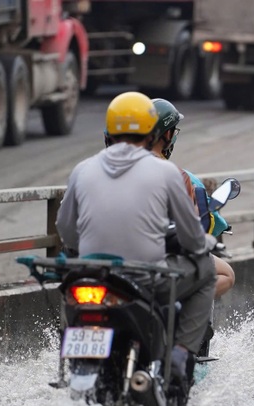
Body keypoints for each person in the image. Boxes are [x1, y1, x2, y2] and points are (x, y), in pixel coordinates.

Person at [55, 91, 216, 382]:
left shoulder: (82, 169)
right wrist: (206, 243)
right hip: (145, 281)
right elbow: (192, 239)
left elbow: (66, 231)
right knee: (206, 271)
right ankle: (180, 355)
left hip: (93, 277)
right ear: (154, 133)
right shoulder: (166, 172)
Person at [148, 97, 236, 299]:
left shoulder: (92, 171)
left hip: (96, 258)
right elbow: (190, 228)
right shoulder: (176, 175)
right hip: (154, 259)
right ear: (167, 133)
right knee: (225, 274)